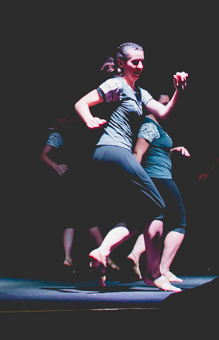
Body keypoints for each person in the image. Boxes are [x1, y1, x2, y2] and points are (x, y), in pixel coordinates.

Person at [73, 42, 188, 292]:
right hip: (112, 150)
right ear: (121, 63)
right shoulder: (116, 85)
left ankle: (102, 251)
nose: (140, 66)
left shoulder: (140, 93)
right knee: (158, 206)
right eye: (135, 62)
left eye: (142, 61)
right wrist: (89, 119)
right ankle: (154, 273)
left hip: (114, 155)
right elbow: (81, 103)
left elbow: (165, 113)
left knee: (143, 214)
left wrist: (178, 90)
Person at [125, 95, 191, 283]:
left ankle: (135, 255)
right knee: (179, 222)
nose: (167, 107)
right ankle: (162, 269)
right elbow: (137, 152)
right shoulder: (150, 125)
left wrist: (173, 150)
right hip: (159, 178)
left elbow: (155, 149)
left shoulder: (156, 126)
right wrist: (135, 182)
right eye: (163, 104)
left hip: (157, 177)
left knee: (153, 220)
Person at [39, 110, 112, 275]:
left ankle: (70, 258)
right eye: (65, 117)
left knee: (74, 220)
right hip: (72, 181)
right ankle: (104, 257)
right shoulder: (58, 134)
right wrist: (56, 166)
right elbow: (43, 154)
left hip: (77, 179)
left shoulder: (72, 133)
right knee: (86, 219)